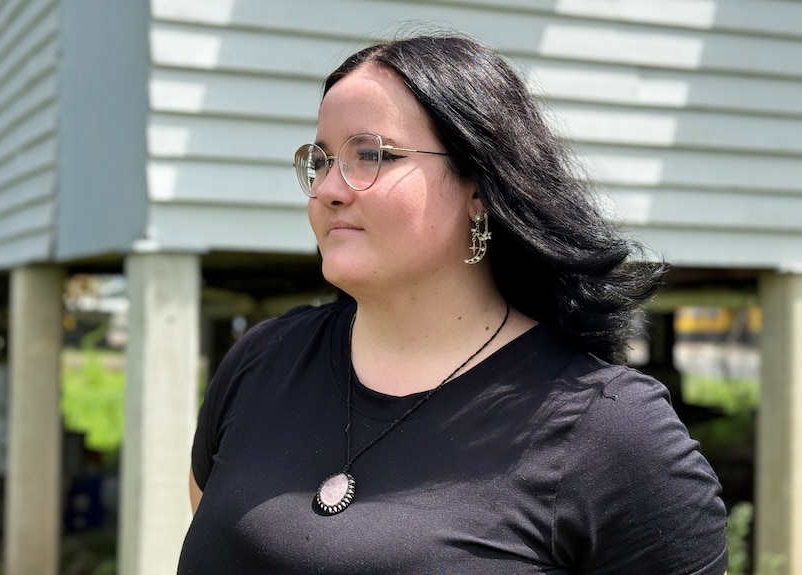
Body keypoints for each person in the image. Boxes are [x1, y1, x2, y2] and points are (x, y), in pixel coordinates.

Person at [178, 33, 728, 574]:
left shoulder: (608, 430)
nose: (328, 189)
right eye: (320, 161)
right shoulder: (261, 362)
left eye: (371, 154)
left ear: (479, 189)